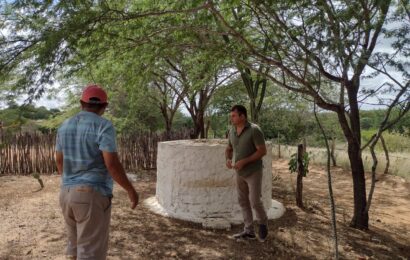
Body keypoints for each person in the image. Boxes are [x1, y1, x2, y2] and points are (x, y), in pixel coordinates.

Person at [55, 84, 139, 259]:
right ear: (104, 106)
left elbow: (59, 160)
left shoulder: (64, 126)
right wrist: (130, 190)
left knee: (74, 247)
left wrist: (69, 183)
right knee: (90, 253)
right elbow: (112, 164)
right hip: (91, 195)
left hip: (66, 194)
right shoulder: (103, 126)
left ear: (81, 103)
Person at [225, 105, 268, 242]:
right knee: (243, 201)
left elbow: (262, 151)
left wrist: (244, 161)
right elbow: (229, 148)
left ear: (242, 116)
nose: (231, 118)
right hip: (239, 172)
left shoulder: (254, 130)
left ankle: (263, 224)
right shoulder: (231, 130)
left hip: (253, 171)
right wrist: (228, 159)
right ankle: (249, 231)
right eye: (231, 115)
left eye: (234, 116)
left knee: (255, 201)